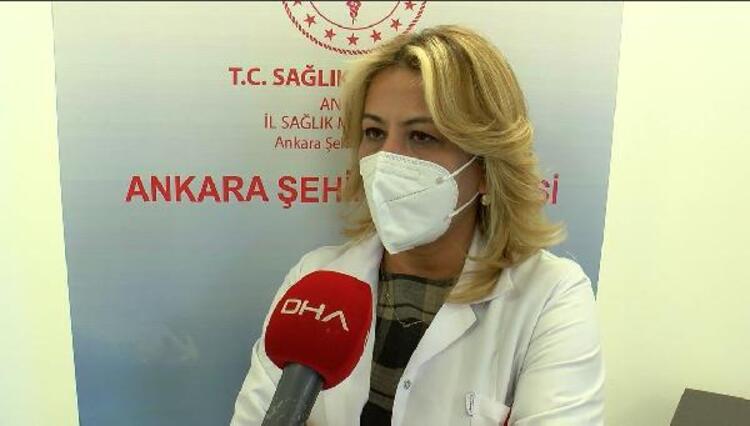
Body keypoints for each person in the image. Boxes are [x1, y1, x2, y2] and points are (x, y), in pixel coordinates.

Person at [230, 25, 604, 426]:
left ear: (486, 166)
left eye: (422, 136)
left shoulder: (550, 296)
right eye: (374, 132)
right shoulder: (314, 280)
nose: (387, 158)